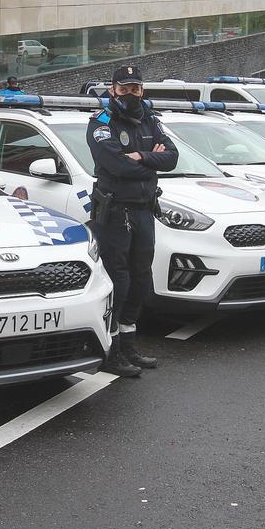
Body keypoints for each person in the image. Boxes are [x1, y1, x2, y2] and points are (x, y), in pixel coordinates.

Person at [86, 65, 178, 377]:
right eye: (124, 88)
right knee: (118, 282)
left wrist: (140, 158)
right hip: (115, 213)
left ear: (142, 90)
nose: (130, 94)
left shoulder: (151, 119)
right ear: (113, 90)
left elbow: (173, 157)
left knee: (141, 280)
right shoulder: (101, 123)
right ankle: (111, 351)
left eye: (135, 88)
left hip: (142, 210)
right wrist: (150, 161)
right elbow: (116, 165)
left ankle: (129, 345)